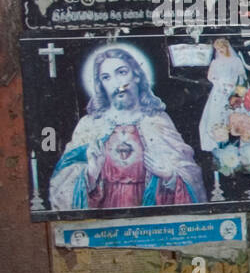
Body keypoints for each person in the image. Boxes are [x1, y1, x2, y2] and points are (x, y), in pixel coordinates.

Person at [50, 47, 207, 210]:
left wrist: (170, 175)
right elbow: (62, 185)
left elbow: (191, 175)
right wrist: (90, 173)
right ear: (100, 85)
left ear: (137, 75)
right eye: (106, 77)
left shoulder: (158, 121)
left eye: (122, 72)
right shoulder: (90, 125)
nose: (117, 83)